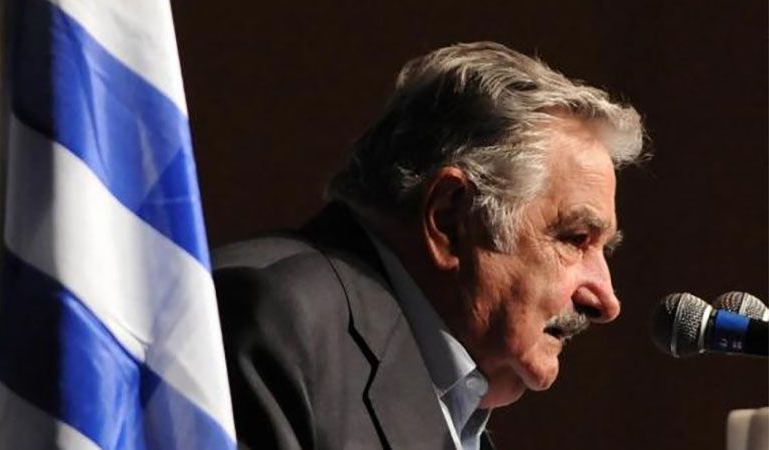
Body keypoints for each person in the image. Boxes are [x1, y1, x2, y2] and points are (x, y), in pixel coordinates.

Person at [213, 41, 644, 450]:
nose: (605, 300)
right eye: (575, 239)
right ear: (449, 218)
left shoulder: (455, 399)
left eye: (603, 250)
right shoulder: (275, 320)